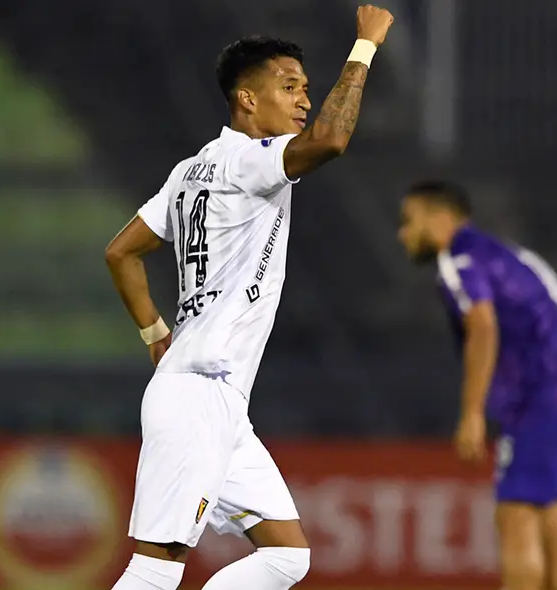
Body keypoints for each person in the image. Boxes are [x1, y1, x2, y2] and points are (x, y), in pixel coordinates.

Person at [103, 7, 394, 590]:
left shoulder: (190, 170)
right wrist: (364, 47)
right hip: (199, 396)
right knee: (155, 572)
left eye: (306, 89)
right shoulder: (246, 160)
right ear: (246, 100)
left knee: (287, 557)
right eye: (289, 87)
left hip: (217, 400)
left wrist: (156, 335)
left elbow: (121, 252)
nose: (303, 100)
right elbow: (331, 140)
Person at [396, 180, 557, 590]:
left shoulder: (458, 260)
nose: (402, 233)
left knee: (516, 516)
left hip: (547, 393)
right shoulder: (513, 255)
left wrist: (472, 413)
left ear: (441, 219)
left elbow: (482, 327)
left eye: (409, 221)